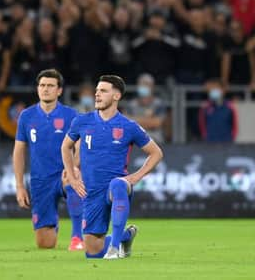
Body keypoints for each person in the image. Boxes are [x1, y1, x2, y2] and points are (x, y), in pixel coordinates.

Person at [61, 74, 163, 259]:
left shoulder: (128, 126)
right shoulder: (82, 121)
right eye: (97, 90)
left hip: (116, 187)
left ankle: (115, 248)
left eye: (103, 91)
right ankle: (125, 236)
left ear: (116, 96)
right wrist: (73, 177)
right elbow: (65, 147)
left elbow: (156, 153)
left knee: (117, 184)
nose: (97, 94)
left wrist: (135, 177)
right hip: (92, 191)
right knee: (92, 252)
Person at [13, 69, 84, 251]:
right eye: (42, 85)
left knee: (72, 177)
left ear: (59, 91)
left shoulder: (71, 115)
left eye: (51, 86)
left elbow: (80, 147)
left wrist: (73, 167)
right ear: (37, 89)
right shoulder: (27, 116)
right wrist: (20, 186)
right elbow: (19, 151)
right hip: (40, 181)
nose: (46, 89)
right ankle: (52, 222)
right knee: (45, 244)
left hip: (64, 174)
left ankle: (77, 236)